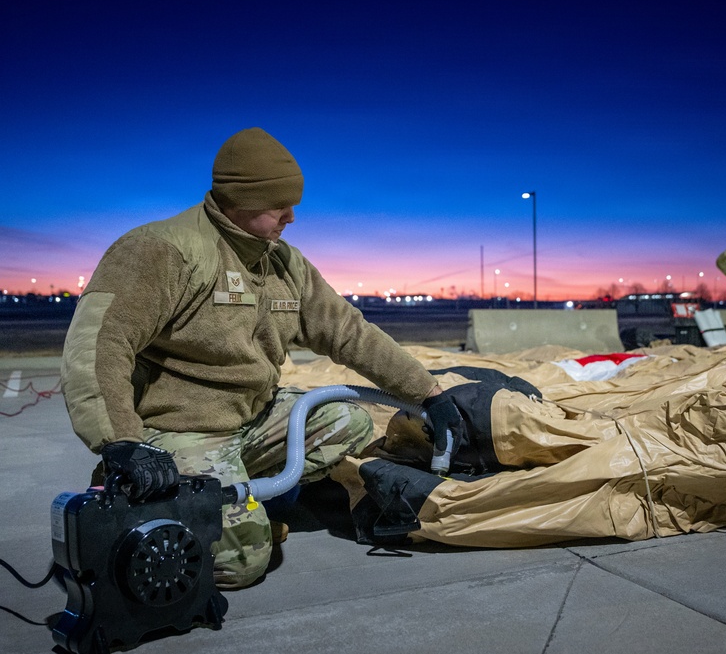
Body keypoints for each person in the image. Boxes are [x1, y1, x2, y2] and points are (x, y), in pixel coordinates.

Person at [60, 127, 462, 589]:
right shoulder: (163, 250)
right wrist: (120, 442)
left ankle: (232, 493)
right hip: (179, 429)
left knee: (347, 422)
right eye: (278, 205)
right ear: (240, 199)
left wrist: (428, 392)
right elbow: (98, 345)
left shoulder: (284, 263)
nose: (291, 216)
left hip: (252, 419)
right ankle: (147, 493)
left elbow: (349, 333)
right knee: (242, 563)